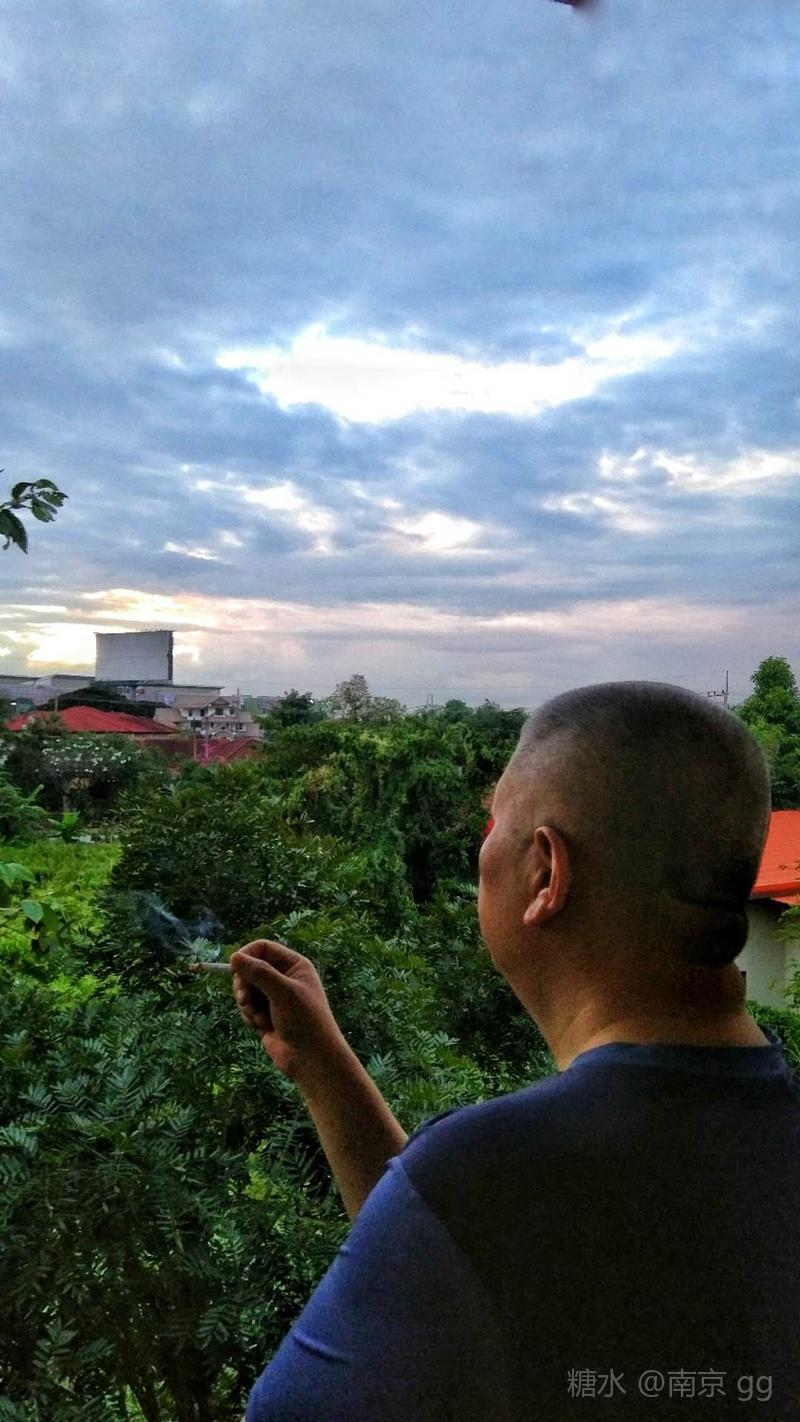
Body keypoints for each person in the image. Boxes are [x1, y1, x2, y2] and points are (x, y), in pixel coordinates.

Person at [230, 681, 800, 1421]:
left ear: (546, 874)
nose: (481, 845)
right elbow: (462, 1254)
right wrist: (321, 1065)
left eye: (493, 821)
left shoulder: (491, 1174)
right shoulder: (752, 1141)